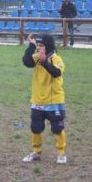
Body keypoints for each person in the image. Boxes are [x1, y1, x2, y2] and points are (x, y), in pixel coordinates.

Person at [22, 33, 67, 164]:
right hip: (37, 101)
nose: (38, 48)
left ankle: (61, 154)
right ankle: (36, 153)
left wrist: (45, 62)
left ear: (48, 47)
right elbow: (26, 62)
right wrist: (31, 45)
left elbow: (56, 72)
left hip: (54, 101)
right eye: (38, 45)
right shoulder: (36, 57)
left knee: (57, 128)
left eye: (41, 46)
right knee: (35, 127)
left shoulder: (57, 59)